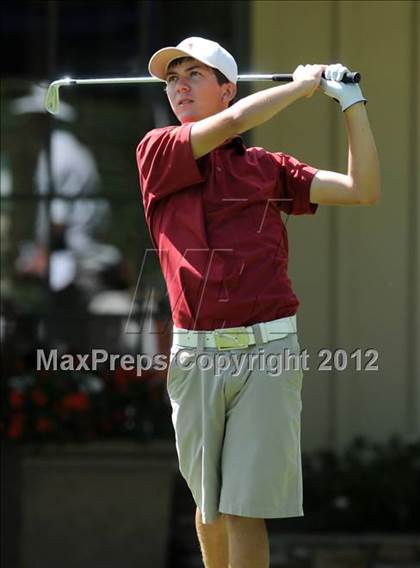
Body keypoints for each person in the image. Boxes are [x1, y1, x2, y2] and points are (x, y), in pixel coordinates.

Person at [136, 37, 380, 568]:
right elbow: (228, 125)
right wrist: (300, 86)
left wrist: (350, 101)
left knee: (247, 510)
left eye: (194, 75)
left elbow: (363, 188)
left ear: (227, 89)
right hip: (196, 353)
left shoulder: (268, 167)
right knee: (211, 510)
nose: (178, 85)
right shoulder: (156, 151)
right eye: (172, 76)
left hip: (269, 351)